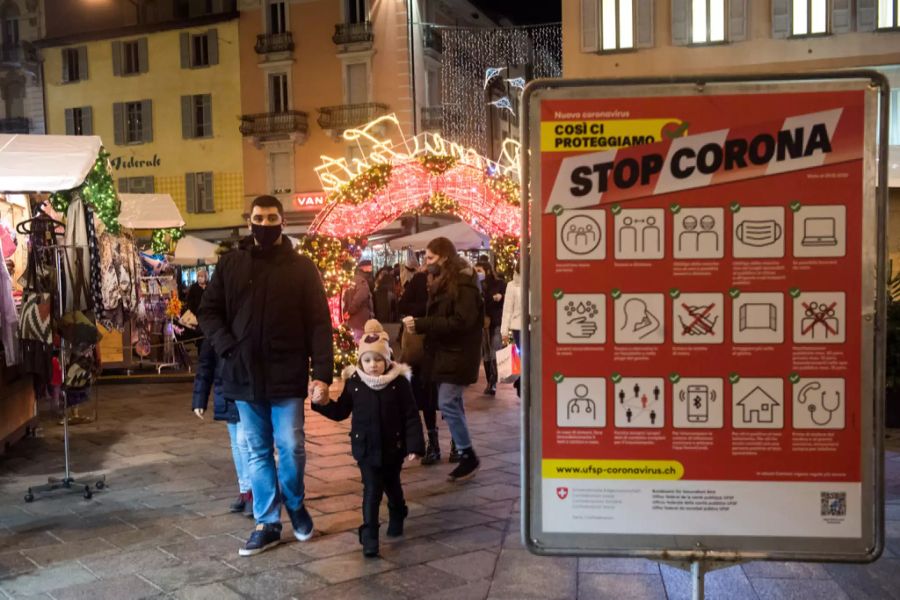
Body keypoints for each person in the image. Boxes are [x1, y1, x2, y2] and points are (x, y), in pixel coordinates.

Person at [199, 195, 334, 557]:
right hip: (242, 375)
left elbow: (320, 323)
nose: (264, 223)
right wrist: (227, 346)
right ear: (250, 221)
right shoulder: (230, 264)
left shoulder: (302, 268)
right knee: (256, 450)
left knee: (291, 445)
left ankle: (295, 503)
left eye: (271, 217)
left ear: (282, 221)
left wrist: (322, 373)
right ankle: (267, 521)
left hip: (286, 373)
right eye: (259, 217)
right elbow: (208, 312)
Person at [312, 319, 425, 557]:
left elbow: (411, 416)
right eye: (367, 360)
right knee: (372, 488)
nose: (373, 365)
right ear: (360, 361)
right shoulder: (355, 383)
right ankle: (370, 534)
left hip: (393, 447)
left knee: (392, 484)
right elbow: (342, 411)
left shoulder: (399, 383)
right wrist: (322, 404)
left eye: (378, 360)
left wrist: (414, 445)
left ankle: (398, 510)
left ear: (387, 360)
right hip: (365, 448)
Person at [403, 237, 483, 482]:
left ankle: (467, 453)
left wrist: (423, 324)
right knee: (452, 401)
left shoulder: (463, 281)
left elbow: (461, 321)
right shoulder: (445, 280)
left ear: (445, 257)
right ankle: (464, 452)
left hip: (457, 354)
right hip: (445, 353)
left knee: (447, 401)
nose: (427, 264)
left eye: (430, 258)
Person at [191, 339, 252, 517]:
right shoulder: (214, 327)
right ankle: (245, 490)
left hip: (245, 388)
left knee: (243, 442)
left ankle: (252, 492)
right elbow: (206, 364)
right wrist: (199, 399)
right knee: (235, 442)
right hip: (225, 391)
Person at [398, 260, 440, 465]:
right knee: (426, 398)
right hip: (420, 349)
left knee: (450, 399)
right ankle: (433, 443)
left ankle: (457, 445)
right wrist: (425, 312)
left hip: (443, 347)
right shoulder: (419, 280)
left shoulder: (451, 281)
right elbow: (402, 305)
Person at [475, 259, 506, 396]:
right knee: (486, 354)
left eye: (479, 271)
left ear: (487, 271)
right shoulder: (477, 285)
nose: (477, 274)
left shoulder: (500, 284)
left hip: (496, 322)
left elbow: (507, 299)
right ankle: (490, 383)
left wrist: (501, 296)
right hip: (483, 324)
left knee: (495, 351)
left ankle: (493, 381)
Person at [501, 262, 523, 396]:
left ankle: (525, 382)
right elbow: (507, 309)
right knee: (522, 357)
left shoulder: (538, 281)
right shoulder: (512, 285)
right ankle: (521, 382)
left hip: (535, 327)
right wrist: (504, 330)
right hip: (518, 327)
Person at [344, 265, 374, 343]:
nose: (368, 274)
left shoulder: (351, 281)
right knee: (360, 341)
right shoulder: (362, 282)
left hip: (351, 319)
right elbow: (361, 297)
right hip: (360, 317)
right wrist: (351, 309)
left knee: (354, 340)